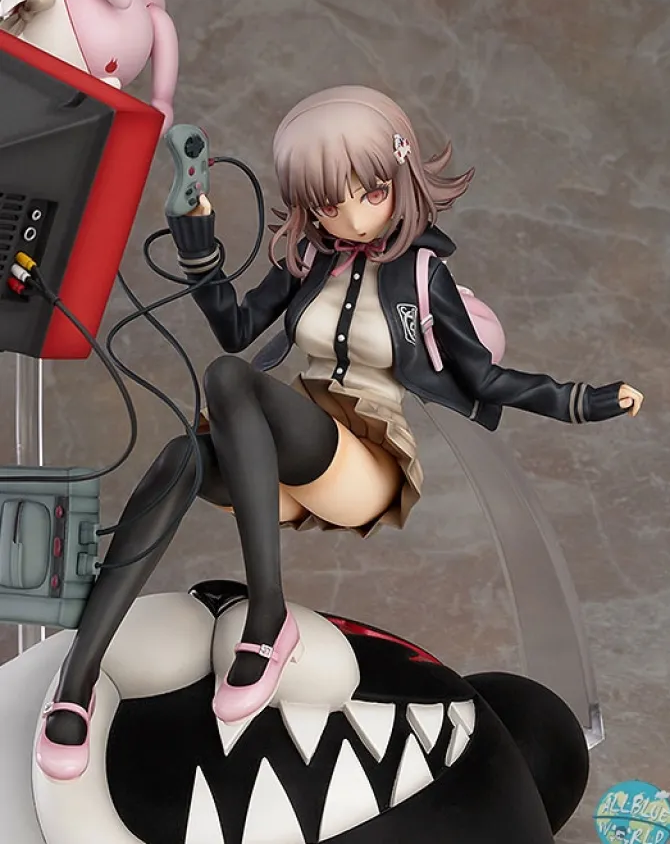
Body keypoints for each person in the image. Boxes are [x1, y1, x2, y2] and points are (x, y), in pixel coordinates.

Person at [35, 85, 643, 780]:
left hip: (366, 457)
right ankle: (76, 683)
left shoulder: (423, 275)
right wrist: (196, 236)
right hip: (283, 446)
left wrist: (584, 400)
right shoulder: (310, 259)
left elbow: (487, 377)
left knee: (230, 378)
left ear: (400, 180)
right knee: (181, 458)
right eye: (329, 203)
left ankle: (267, 619)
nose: (351, 216)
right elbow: (236, 325)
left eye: (371, 193)